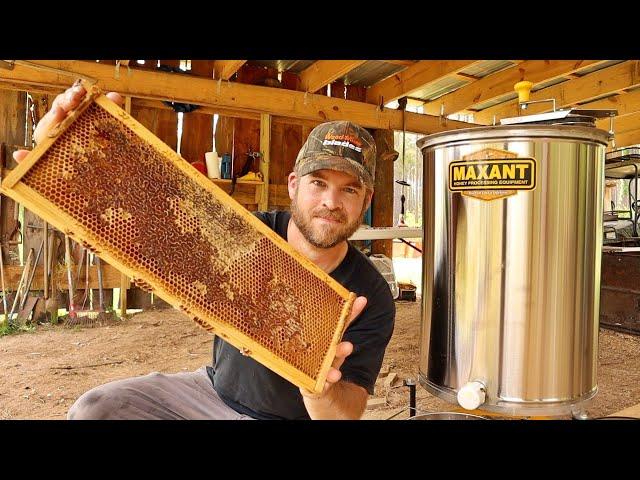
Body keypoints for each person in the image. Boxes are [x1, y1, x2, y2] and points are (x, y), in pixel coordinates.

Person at [14, 81, 396, 420]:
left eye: (349, 189)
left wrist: (321, 390)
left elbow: (346, 412)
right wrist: (75, 157)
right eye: (319, 182)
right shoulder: (247, 233)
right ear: (294, 185)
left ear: (366, 201)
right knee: (96, 410)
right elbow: (152, 220)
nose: (331, 201)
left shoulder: (371, 293)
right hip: (210, 393)